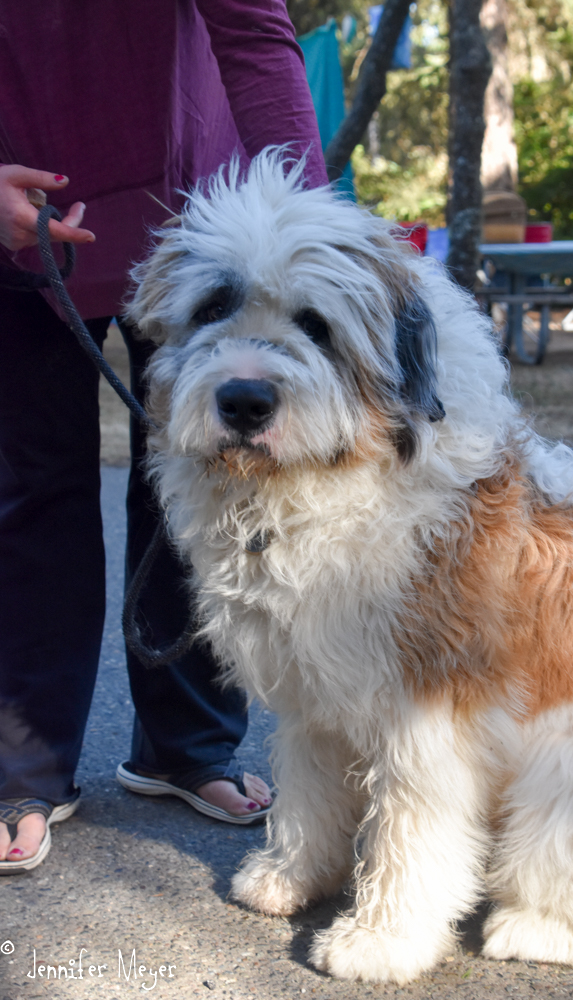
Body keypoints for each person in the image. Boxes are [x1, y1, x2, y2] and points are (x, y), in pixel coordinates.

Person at [0, 0, 328, 873]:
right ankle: (21, 768)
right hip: (9, 195)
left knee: (202, 482)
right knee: (27, 487)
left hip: (193, 212)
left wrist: (308, 216)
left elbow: (255, 35)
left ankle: (186, 748)